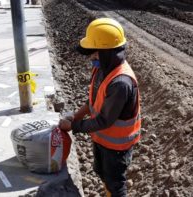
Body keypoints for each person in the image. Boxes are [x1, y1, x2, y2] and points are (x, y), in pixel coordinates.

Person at [59, 18, 142, 197]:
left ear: (107, 52)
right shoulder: (103, 69)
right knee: (102, 173)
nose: (91, 57)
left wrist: (73, 127)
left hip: (117, 146)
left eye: (94, 53)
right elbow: (94, 101)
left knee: (115, 184)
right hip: (103, 140)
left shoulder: (120, 83)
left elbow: (104, 120)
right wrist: (76, 116)